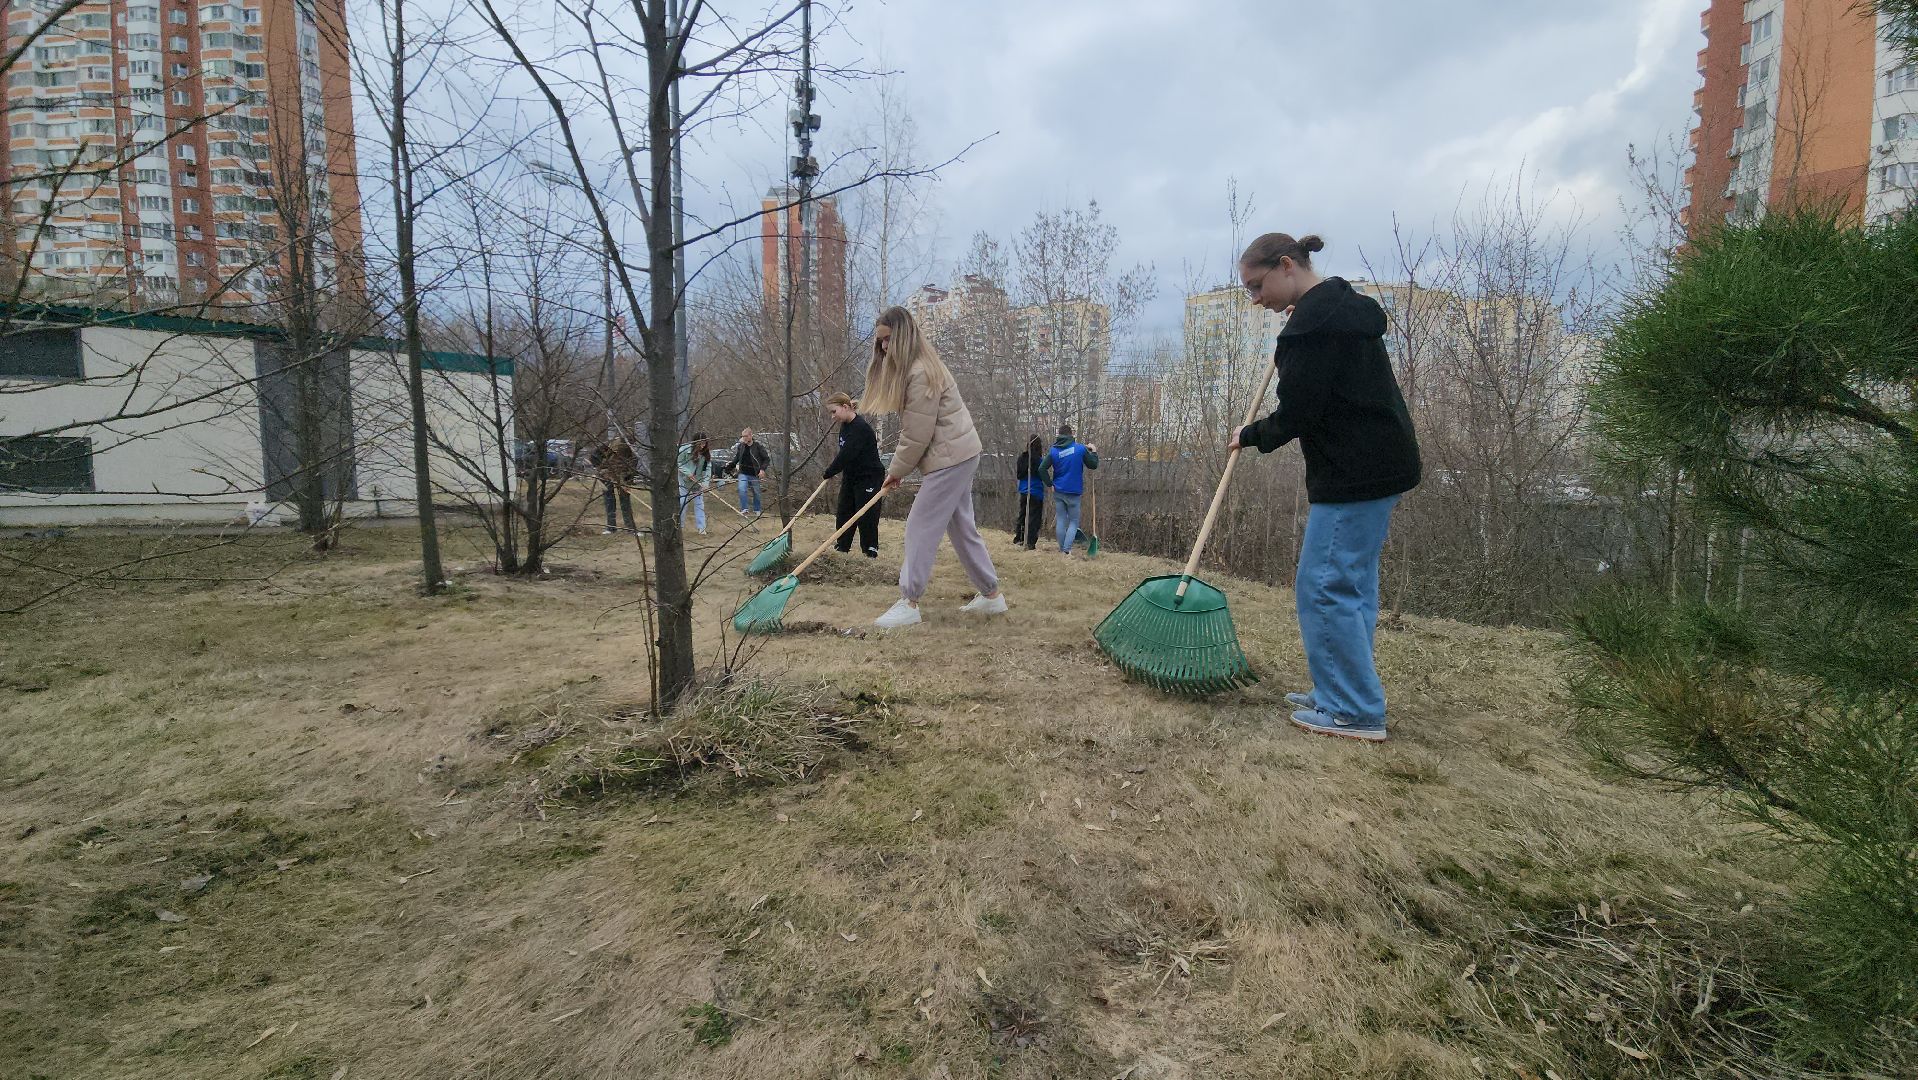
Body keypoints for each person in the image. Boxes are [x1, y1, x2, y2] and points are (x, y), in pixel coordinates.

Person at [1230, 232, 1421, 742]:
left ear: (1286, 265)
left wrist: (1250, 435)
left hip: (1352, 474)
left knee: (1325, 586)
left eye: (1256, 286)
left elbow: (1298, 412)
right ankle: (1337, 690)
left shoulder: (1311, 328)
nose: (1255, 299)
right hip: (1382, 464)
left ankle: (1353, 710)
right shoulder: (1341, 306)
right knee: (1352, 587)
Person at [863, 306, 1007, 627]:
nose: (883, 348)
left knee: (919, 524)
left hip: (951, 457)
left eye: (887, 340)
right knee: (961, 527)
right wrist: (901, 469)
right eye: (880, 343)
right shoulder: (919, 367)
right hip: (959, 453)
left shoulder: (919, 372)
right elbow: (918, 432)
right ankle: (991, 595)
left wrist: (897, 470)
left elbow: (917, 433)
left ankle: (909, 602)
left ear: (901, 336)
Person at [822, 392, 885, 558]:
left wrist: (830, 471)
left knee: (866, 514)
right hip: (852, 476)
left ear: (845, 407)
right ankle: (842, 547)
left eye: (834, 411)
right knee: (844, 510)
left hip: (869, 476)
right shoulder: (845, 426)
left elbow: (847, 454)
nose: (832, 416)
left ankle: (870, 550)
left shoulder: (860, 428)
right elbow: (845, 455)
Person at [1045, 424, 1099, 555]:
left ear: (1059, 435)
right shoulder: (1080, 449)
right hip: (1074, 491)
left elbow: (1041, 468)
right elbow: (1093, 465)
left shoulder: (1053, 451)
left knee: (1061, 520)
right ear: (1071, 434)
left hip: (1058, 490)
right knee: (1074, 521)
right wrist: (1094, 451)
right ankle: (1066, 550)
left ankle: (1062, 549)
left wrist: (1049, 483)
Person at [591, 439, 639, 535]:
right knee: (609, 500)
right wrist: (602, 470)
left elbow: (631, 471)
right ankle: (611, 527)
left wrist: (627, 483)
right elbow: (593, 457)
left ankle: (630, 528)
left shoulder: (633, 456)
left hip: (622, 476)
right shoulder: (608, 446)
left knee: (625, 500)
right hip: (606, 475)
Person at [1012, 434, 1050, 549]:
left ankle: (1019, 537)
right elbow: (1042, 474)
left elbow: (1019, 475)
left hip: (1024, 491)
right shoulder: (1039, 461)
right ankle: (1030, 542)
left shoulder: (1021, 459)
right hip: (1035, 492)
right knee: (1034, 518)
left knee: (1023, 515)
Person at [725, 428, 771, 515]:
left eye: (746, 436)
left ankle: (757, 510)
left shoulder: (758, 446)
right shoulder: (741, 446)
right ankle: (744, 509)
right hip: (743, 473)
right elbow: (736, 459)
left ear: (750, 436)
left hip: (755, 474)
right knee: (742, 489)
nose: (744, 438)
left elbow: (766, 459)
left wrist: (762, 470)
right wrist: (729, 467)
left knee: (756, 493)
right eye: (743, 436)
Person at [676, 433, 712, 535]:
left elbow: (707, 470)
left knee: (699, 505)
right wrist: (688, 473)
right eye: (700, 444)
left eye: (704, 444)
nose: (702, 446)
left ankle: (701, 528)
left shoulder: (705, 454)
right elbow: (678, 463)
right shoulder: (684, 450)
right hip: (684, 482)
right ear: (694, 443)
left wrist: (705, 483)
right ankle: (679, 527)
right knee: (682, 503)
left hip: (697, 484)